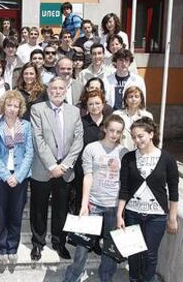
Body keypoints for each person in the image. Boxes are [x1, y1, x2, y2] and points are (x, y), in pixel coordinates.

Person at [64, 114, 128, 282]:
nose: (114, 134)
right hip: (94, 204)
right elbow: (88, 177)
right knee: (82, 245)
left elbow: (125, 184)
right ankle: (74, 275)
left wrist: (121, 212)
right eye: (112, 130)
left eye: (118, 132)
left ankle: (106, 276)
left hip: (114, 206)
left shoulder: (124, 153)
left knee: (110, 245)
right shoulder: (91, 148)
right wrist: (84, 205)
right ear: (105, 129)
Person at [117, 117, 179, 282]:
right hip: (132, 213)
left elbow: (173, 191)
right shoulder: (128, 158)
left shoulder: (167, 159)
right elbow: (124, 189)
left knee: (150, 254)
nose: (137, 140)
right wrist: (119, 215)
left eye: (141, 136)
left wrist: (172, 218)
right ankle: (133, 279)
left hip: (156, 216)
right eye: (134, 137)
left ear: (151, 134)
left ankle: (148, 279)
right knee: (133, 253)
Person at [30, 77, 83, 261]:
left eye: (61, 88)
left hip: (65, 170)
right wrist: (52, 165)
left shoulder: (74, 111)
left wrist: (64, 165)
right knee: (39, 208)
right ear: (48, 90)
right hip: (42, 168)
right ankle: (37, 243)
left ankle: (59, 242)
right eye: (54, 88)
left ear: (66, 89)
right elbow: (38, 139)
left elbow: (78, 141)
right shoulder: (37, 109)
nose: (57, 91)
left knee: (61, 209)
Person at [0, 90, 34, 272]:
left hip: (20, 176)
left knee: (16, 212)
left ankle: (12, 247)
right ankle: (2, 247)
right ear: (3, 106)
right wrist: (7, 176)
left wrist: (18, 176)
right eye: (9, 105)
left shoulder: (26, 126)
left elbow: (29, 152)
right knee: (1, 212)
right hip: (0, 177)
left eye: (16, 105)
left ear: (20, 108)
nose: (12, 109)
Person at [72, 89, 113, 216]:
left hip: (104, 171)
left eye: (97, 103)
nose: (94, 107)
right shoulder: (80, 123)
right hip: (84, 170)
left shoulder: (110, 123)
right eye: (91, 104)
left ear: (103, 104)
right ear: (86, 106)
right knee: (81, 202)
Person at [113, 86, 153, 150]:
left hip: (141, 151)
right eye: (130, 96)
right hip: (121, 151)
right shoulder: (117, 114)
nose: (133, 99)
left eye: (136, 96)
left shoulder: (147, 116)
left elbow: (150, 137)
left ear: (141, 99)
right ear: (126, 100)